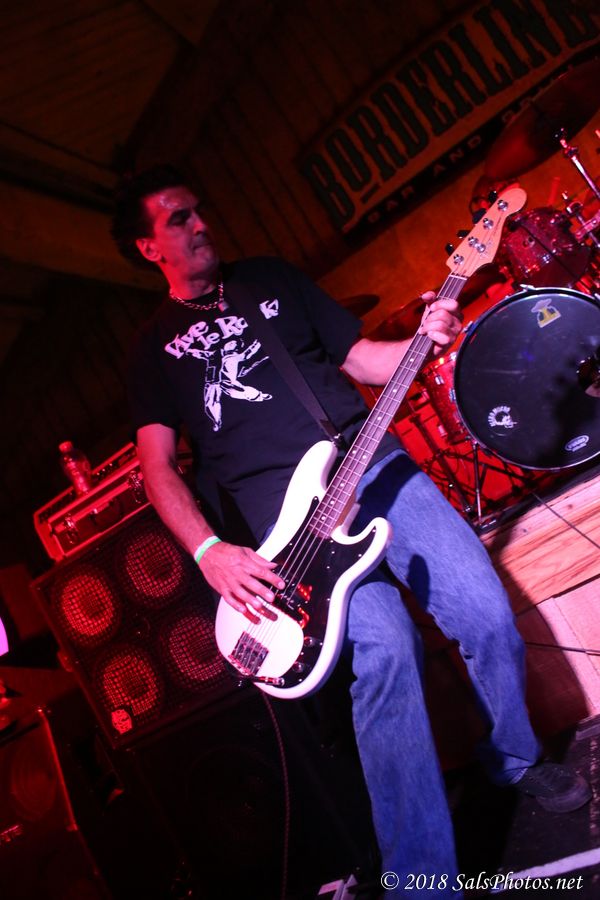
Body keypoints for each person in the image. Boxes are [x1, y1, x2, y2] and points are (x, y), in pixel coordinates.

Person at [113, 165, 590, 897]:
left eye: (199, 210)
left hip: (372, 465)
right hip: (291, 531)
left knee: (484, 609)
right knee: (387, 653)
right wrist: (210, 552)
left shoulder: (269, 277)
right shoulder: (152, 351)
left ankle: (515, 760)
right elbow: (157, 469)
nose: (201, 224)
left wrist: (424, 338)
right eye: (179, 219)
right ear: (149, 248)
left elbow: (362, 358)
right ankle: (420, 880)